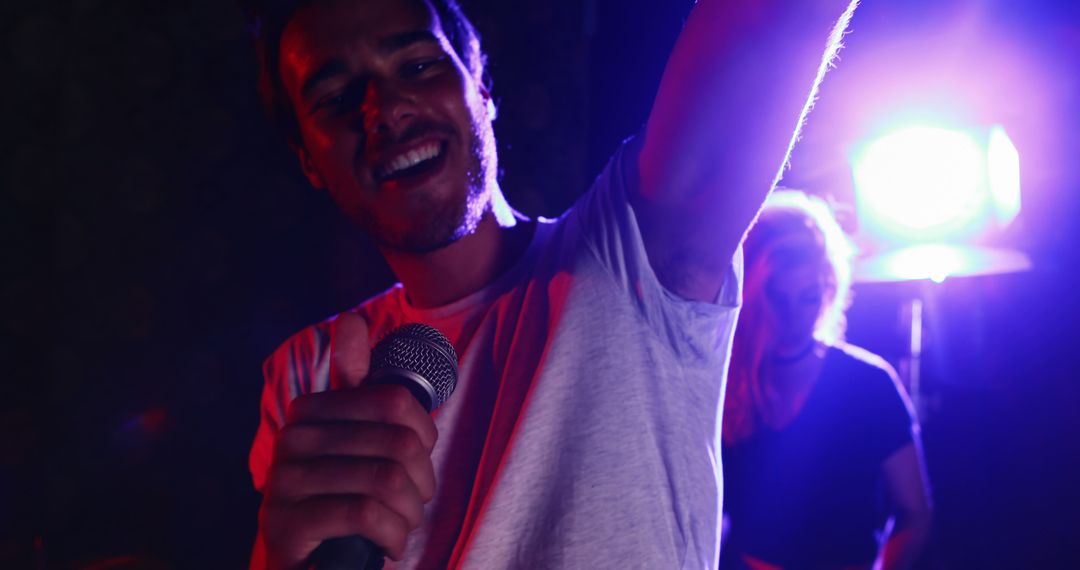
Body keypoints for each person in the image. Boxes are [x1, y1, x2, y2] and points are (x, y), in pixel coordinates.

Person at [241, 1, 861, 568]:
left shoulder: (629, 255)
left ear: (480, 93)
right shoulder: (308, 371)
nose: (386, 108)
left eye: (421, 64)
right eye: (335, 97)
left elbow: (772, 25)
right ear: (309, 161)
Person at [719, 191, 933, 570]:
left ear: (829, 289)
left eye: (808, 297)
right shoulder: (725, 383)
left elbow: (914, 514)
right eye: (778, 297)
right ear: (752, 290)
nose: (793, 315)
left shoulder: (868, 384)